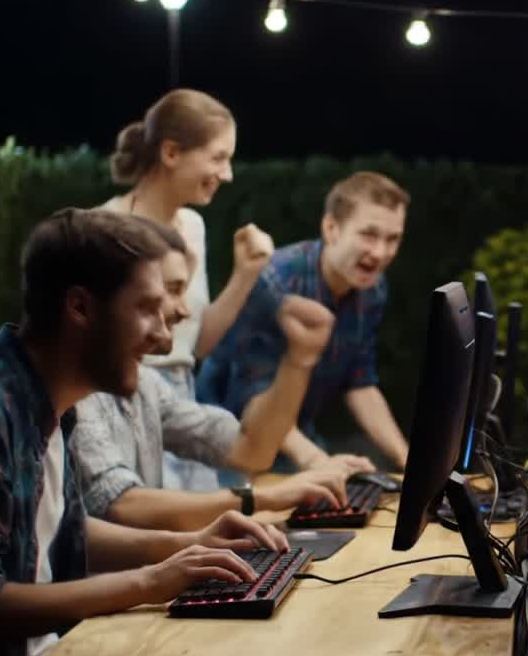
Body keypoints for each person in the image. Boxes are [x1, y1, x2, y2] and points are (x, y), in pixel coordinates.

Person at [0, 208, 288, 656]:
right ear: (80, 307)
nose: (164, 337)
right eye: (146, 310)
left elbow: (63, 530)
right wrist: (149, 582)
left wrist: (188, 544)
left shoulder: (47, 402)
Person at [70, 220, 375, 532]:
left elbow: (251, 450)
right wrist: (263, 497)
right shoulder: (76, 394)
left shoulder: (145, 384)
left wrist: (299, 360)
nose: (185, 310)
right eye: (173, 290)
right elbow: (121, 506)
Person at [104, 88, 275, 492]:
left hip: (186, 398)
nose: (228, 174)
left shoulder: (193, 228)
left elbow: (194, 346)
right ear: (171, 153)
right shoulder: (104, 230)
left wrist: (246, 273)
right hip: (129, 402)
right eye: (219, 158)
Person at [197, 171, 411, 474]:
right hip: (224, 440)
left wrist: (408, 460)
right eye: (369, 235)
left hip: (293, 433)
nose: (380, 252)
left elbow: (360, 382)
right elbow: (252, 398)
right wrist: (317, 463)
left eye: (393, 239)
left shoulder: (372, 289)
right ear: (331, 228)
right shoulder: (274, 281)